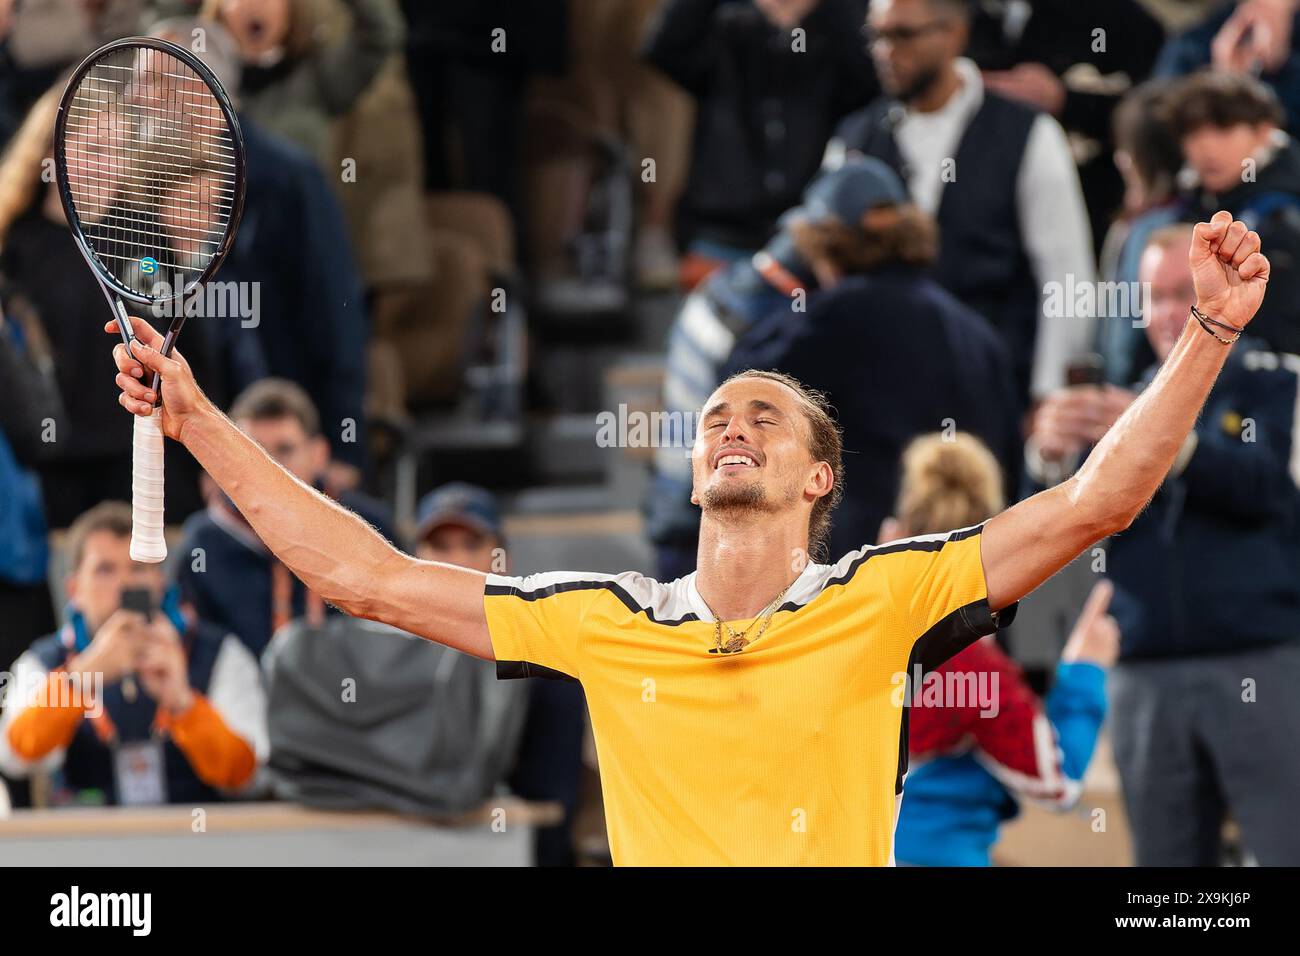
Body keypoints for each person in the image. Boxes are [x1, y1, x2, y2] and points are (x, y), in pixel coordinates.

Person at [103, 209, 1269, 865]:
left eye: (763, 413)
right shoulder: (606, 620)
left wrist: (1207, 333)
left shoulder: (889, 595)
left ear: (821, 474)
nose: (729, 426)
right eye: (715, 414)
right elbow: (365, 574)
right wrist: (197, 418)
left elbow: (1091, 505)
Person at [1026, 223, 1300, 865]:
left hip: (1259, 659)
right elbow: (1059, 522)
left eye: (1184, 291)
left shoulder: (1277, 381)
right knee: (1166, 878)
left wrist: (1165, 445)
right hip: (1143, 668)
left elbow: (1269, 491)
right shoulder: (1119, 399)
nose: (1168, 313)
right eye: (1154, 296)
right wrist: (1047, 455)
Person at [723, 157, 1021, 561]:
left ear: (819, 243)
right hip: (978, 578)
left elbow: (737, 390)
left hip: (863, 584)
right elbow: (1012, 464)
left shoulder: (826, 324)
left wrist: (766, 283)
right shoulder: (976, 334)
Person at [828, 0, 1095, 403]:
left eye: (902, 34)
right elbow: (824, 262)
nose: (884, 51)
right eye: (876, 36)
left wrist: (1050, 395)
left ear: (954, 33)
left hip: (989, 385)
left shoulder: (1027, 133)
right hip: (876, 387)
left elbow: (1064, 274)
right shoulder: (855, 138)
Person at [884, 433, 1114, 867]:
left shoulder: (842, 637)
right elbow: (1058, 782)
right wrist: (1086, 670)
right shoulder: (976, 674)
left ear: (892, 534)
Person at [0, 502, 267, 805]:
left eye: (138, 568)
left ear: (160, 581)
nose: (123, 584)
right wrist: (80, 678)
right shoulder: (45, 660)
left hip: (195, 840)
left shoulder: (218, 653)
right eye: (105, 570)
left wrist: (184, 704)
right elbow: (14, 757)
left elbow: (249, 778)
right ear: (74, 589)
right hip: (85, 844)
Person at [413, 483, 586, 868]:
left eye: (472, 544)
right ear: (416, 556)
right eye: (441, 546)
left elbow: (548, 804)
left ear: (500, 556)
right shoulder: (381, 647)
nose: (455, 559)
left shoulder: (545, 660)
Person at [642, 0, 878, 265]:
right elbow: (663, 49)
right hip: (720, 230)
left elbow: (873, 77)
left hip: (812, 233)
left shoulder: (835, 26)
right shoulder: (725, 24)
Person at [178, 379, 399, 660]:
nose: (268, 465)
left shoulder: (368, 526)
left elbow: (398, 645)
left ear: (318, 455)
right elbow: (192, 654)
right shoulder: (205, 542)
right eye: (253, 449)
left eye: (284, 449)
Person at [1168, 69, 1300, 357]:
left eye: (1223, 129)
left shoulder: (1283, 220)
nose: (1206, 147)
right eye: (1193, 133)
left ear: (1263, 132)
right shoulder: (1186, 205)